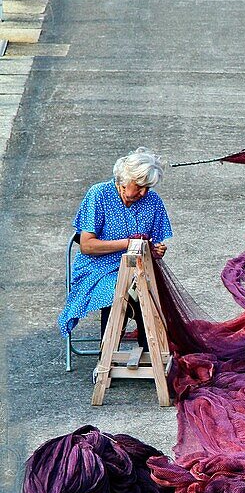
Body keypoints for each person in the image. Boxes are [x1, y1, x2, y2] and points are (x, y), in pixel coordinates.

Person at [59, 149, 173, 348]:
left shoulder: (152, 201)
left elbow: (152, 244)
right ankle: (108, 353)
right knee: (119, 291)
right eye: (139, 186)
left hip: (136, 267)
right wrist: (128, 243)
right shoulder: (99, 195)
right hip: (97, 269)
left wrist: (156, 251)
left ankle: (150, 352)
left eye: (147, 187)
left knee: (144, 289)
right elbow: (86, 245)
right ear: (124, 179)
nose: (143, 193)